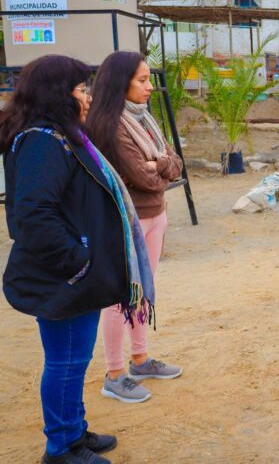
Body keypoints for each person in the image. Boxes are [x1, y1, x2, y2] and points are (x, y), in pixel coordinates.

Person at [1, 54, 155, 463]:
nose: (88, 96)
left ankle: (73, 431)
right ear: (59, 94)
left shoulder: (63, 135)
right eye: (81, 88)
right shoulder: (42, 141)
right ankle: (60, 448)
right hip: (63, 277)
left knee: (73, 360)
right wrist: (79, 260)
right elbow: (33, 214)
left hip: (71, 275)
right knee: (66, 363)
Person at [87, 51, 183, 403]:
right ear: (119, 82)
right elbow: (147, 179)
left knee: (143, 292)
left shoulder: (144, 120)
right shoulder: (112, 125)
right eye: (141, 80)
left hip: (156, 215)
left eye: (148, 79)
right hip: (127, 221)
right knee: (120, 297)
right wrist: (161, 166)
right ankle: (114, 374)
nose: (149, 87)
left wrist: (159, 163)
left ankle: (140, 358)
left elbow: (175, 164)